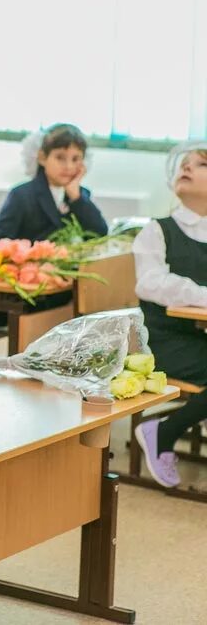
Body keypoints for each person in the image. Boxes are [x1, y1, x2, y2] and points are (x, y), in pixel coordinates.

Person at [134, 142, 207, 488]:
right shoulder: (158, 230)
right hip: (164, 340)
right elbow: (150, 283)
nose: (188, 167)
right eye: (185, 163)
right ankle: (162, 431)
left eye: (201, 164)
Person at [0, 124, 107, 242]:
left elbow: (100, 234)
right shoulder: (21, 195)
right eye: (60, 158)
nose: (69, 166)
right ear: (42, 157)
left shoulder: (81, 195)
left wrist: (76, 197)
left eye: (76, 159)